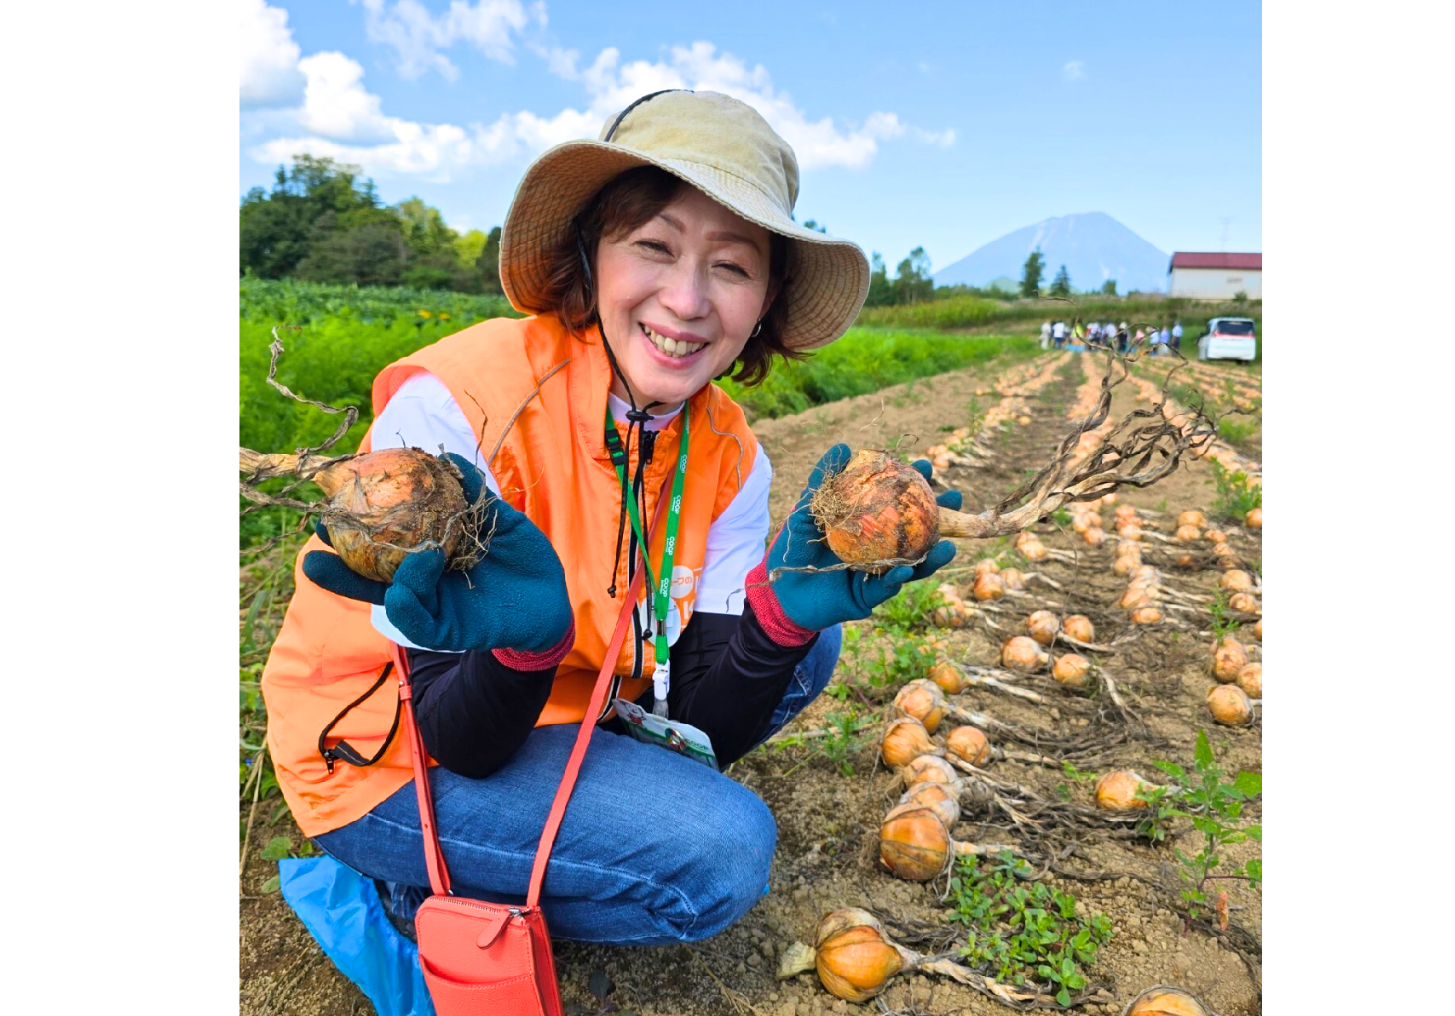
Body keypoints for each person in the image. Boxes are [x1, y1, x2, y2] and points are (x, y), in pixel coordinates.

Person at [259, 90, 962, 955]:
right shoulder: (459, 408)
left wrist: (775, 625)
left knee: (806, 641)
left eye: (733, 266)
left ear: (766, 299)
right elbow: (457, 739)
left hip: (574, 706)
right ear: (590, 256)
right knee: (719, 852)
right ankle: (412, 888)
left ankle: (561, 830)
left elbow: (701, 726)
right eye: (654, 248)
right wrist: (526, 642)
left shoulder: (727, 449)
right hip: (393, 753)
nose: (688, 299)